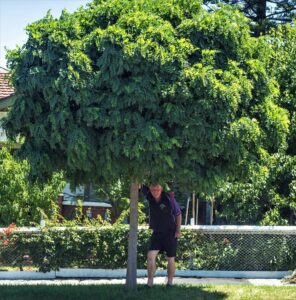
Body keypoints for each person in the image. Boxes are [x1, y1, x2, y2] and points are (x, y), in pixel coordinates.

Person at [141, 183, 182, 287]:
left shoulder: (169, 198)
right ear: (150, 189)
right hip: (157, 233)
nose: (155, 191)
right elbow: (139, 184)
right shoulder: (148, 194)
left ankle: (170, 283)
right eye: (153, 189)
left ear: (162, 189)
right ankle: (149, 283)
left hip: (170, 232)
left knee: (170, 258)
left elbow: (178, 214)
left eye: (157, 189)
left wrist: (178, 230)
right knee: (150, 256)